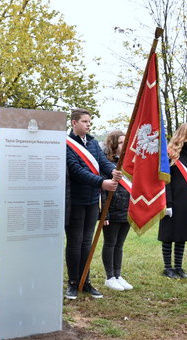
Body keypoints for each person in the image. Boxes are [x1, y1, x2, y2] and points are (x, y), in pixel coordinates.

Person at [65, 108, 121, 299]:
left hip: (91, 201)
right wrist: (102, 182)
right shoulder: (66, 144)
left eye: (89, 122)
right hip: (74, 200)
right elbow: (76, 170)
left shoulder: (94, 143)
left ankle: (85, 281)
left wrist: (112, 171)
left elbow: (102, 163)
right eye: (84, 121)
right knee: (75, 242)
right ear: (74, 123)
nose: (88, 125)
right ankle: (73, 282)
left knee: (87, 242)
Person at [158, 124, 187, 279]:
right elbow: (165, 181)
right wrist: (167, 203)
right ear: (183, 135)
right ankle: (167, 268)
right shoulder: (170, 153)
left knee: (182, 234)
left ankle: (179, 267)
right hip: (172, 199)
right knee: (169, 234)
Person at [101, 130, 133, 291]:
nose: (123, 146)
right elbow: (103, 190)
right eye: (120, 143)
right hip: (112, 209)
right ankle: (110, 277)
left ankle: (118, 275)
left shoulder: (129, 164)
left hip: (126, 208)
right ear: (113, 145)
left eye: (125, 142)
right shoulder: (107, 164)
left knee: (119, 244)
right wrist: (104, 213)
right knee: (110, 243)